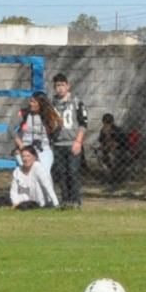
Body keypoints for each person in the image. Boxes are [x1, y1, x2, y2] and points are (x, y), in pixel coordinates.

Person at [14, 91, 61, 203]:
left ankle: (50, 201)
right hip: (26, 149)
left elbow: (59, 124)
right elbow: (10, 130)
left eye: (33, 101)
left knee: (44, 173)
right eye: (30, 101)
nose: (30, 103)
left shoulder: (49, 114)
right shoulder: (23, 113)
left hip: (43, 149)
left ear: (41, 103)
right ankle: (28, 200)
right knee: (26, 175)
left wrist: (53, 120)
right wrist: (20, 146)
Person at [51, 73, 88, 208]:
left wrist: (78, 142)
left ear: (68, 85)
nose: (59, 88)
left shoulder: (77, 102)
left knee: (73, 171)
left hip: (72, 143)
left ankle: (75, 200)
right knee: (61, 173)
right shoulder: (51, 104)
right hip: (57, 143)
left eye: (62, 85)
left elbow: (83, 123)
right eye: (57, 86)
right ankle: (65, 200)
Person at [9, 145, 59, 210]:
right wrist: (15, 203)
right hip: (26, 199)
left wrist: (56, 204)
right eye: (23, 156)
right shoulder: (17, 171)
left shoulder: (38, 168)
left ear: (34, 157)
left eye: (28, 156)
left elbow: (48, 186)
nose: (25, 159)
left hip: (41, 200)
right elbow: (14, 190)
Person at [97, 113, 129, 183]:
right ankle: (107, 175)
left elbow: (117, 144)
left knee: (111, 156)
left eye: (108, 123)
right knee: (99, 154)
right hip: (108, 150)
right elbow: (101, 143)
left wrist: (108, 137)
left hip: (119, 150)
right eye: (105, 123)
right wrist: (99, 147)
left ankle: (115, 177)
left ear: (112, 122)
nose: (106, 125)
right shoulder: (103, 130)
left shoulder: (118, 130)